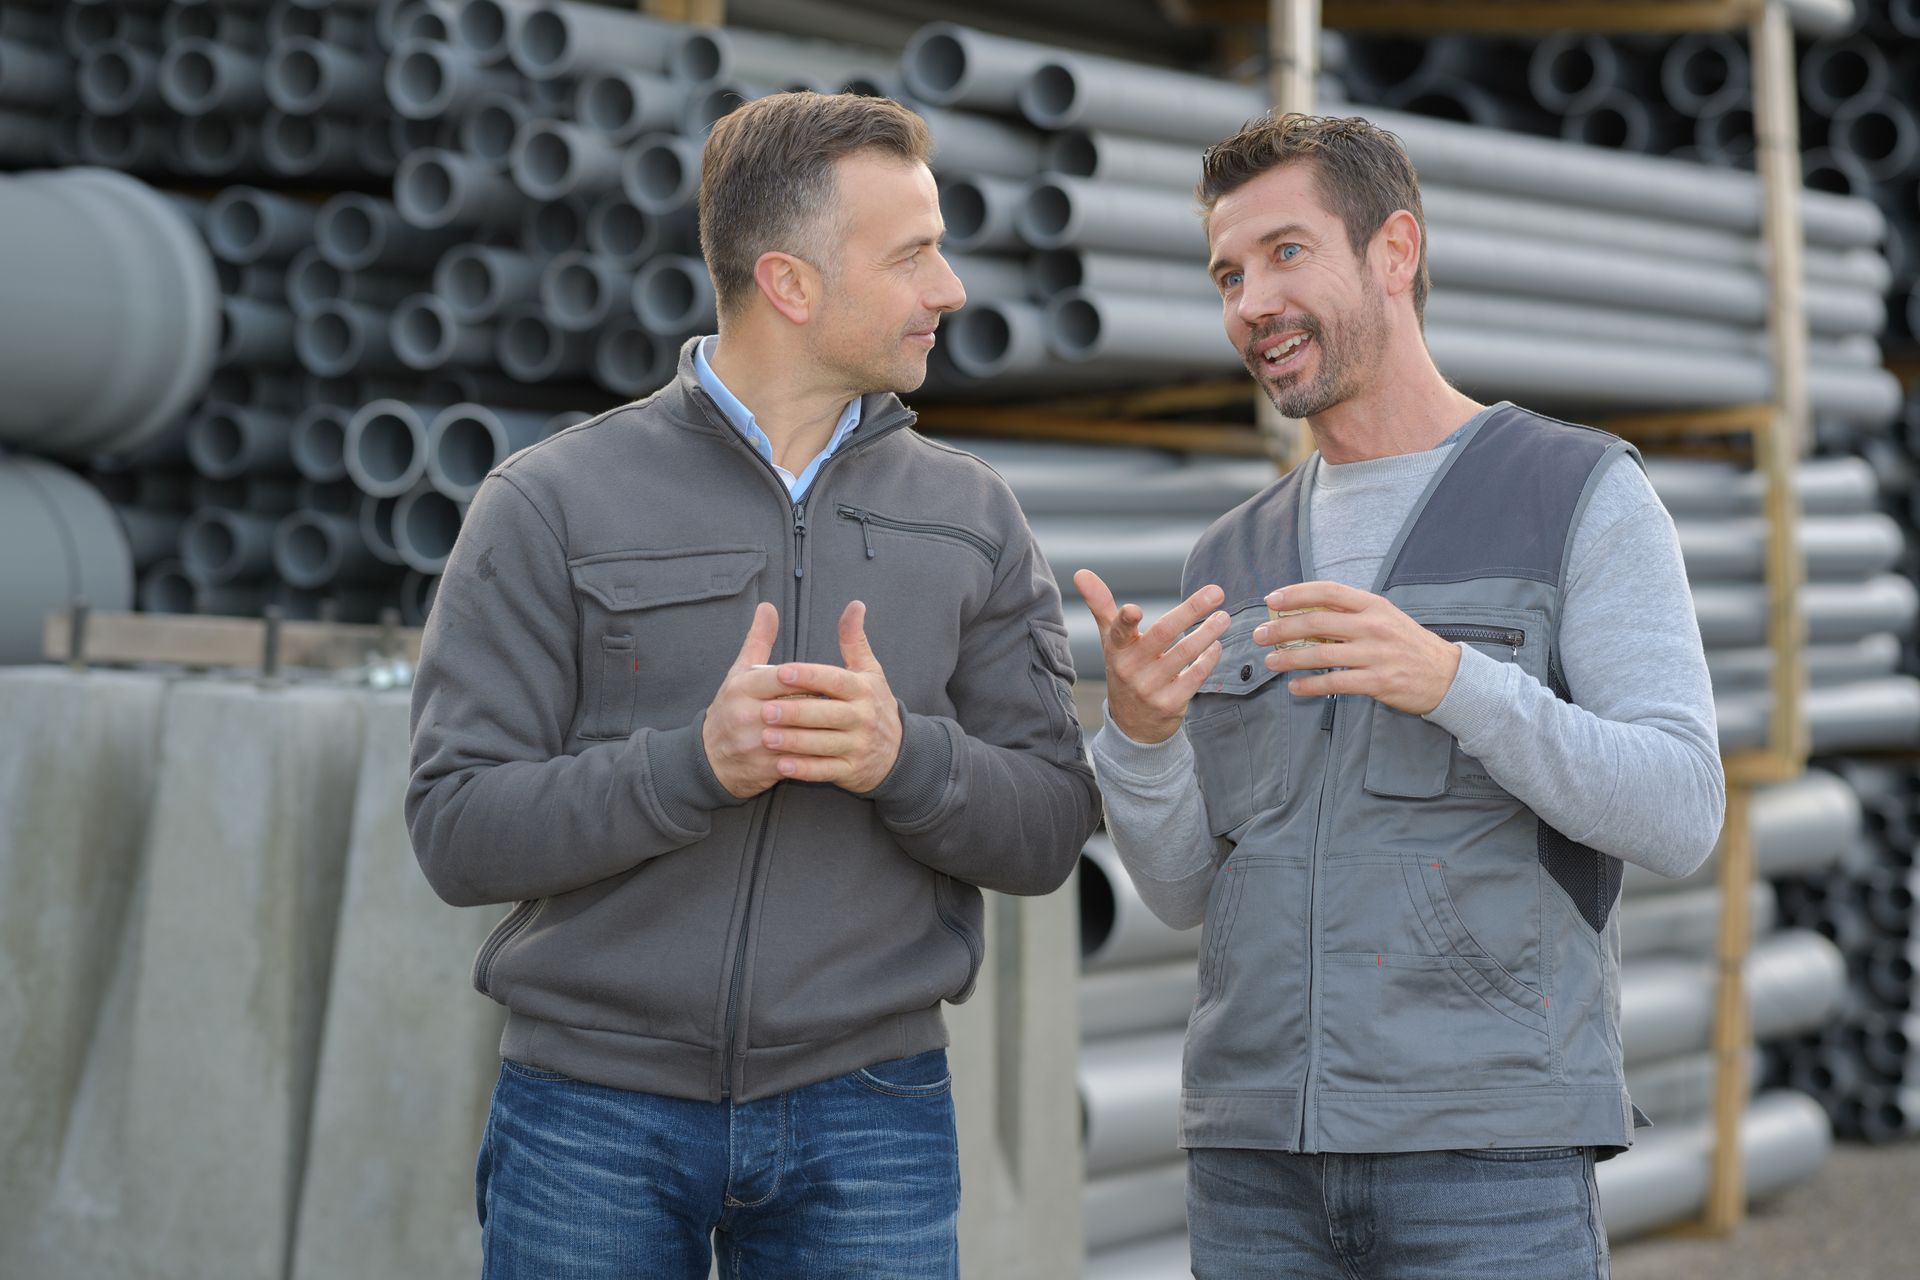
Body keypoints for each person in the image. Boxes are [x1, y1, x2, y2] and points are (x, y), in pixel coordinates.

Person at [407, 91, 1101, 1280]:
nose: (949, 289)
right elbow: (457, 829)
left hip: (871, 1113)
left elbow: (1047, 828)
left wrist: (903, 757)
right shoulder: (548, 502)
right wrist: (694, 766)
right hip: (590, 1115)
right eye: (913, 255)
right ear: (788, 282)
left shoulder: (973, 516)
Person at [1075, 113, 1724, 1280]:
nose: (1253, 302)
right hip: (1255, 1165)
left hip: (1488, 1163)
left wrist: (1456, 682)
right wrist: (1139, 737)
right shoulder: (1231, 551)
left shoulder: (1577, 492)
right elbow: (1185, 892)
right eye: (1228, 274)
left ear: (1395, 251)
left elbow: (1681, 808)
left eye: (1286, 252)